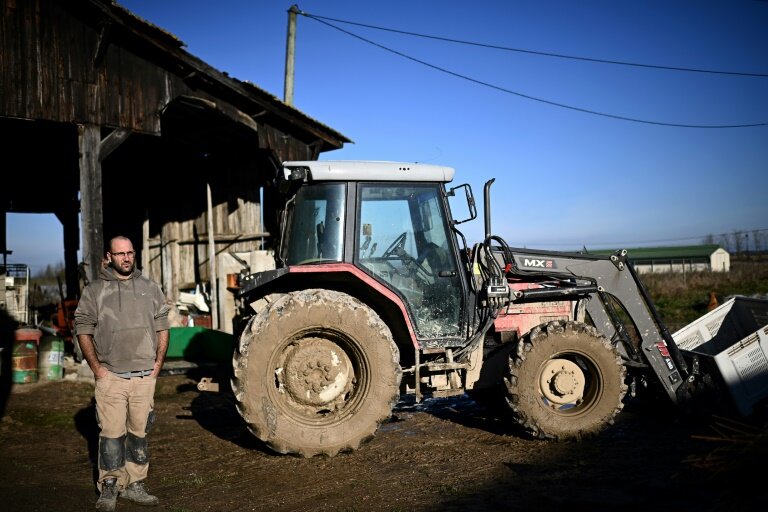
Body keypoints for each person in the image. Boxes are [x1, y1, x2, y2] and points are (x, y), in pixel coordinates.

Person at [74, 236, 169, 512]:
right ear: (109, 256)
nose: (126, 258)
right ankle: (111, 485)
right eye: (120, 254)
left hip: (144, 377)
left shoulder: (150, 288)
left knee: (139, 433)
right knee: (112, 435)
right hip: (111, 377)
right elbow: (83, 329)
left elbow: (163, 327)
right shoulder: (95, 291)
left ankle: (136, 484)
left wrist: (157, 366)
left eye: (130, 253)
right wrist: (97, 369)